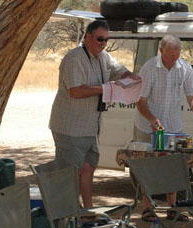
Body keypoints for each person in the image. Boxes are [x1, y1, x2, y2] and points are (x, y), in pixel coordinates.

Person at [49, 20, 140, 208]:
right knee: (70, 173)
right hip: (70, 127)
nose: (103, 43)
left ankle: (87, 211)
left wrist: (130, 76)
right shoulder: (74, 58)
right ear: (88, 37)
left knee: (88, 167)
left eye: (106, 40)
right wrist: (105, 89)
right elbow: (75, 91)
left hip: (91, 126)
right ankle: (67, 215)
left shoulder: (103, 57)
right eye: (100, 39)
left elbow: (118, 70)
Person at [134, 34, 193, 222]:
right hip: (147, 125)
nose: (174, 59)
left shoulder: (184, 68)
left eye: (177, 55)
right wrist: (152, 118)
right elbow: (140, 100)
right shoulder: (149, 67)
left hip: (173, 126)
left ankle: (173, 207)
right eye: (170, 55)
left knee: (174, 167)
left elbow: (192, 96)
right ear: (161, 51)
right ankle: (147, 208)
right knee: (148, 167)